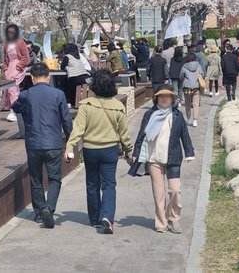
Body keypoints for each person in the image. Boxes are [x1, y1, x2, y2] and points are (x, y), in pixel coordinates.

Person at [64, 70, 133, 234]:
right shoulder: (118, 106)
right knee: (109, 185)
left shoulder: (86, 105)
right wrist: (129, 151)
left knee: (92, 184)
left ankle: (95, 218)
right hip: (110, 150)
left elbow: (77, 130)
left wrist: (69, 148)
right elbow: (124, 134)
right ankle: (107, 216)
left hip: (90, 150)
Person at [12, 63, 73, 229]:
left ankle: (39, 212)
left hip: (33, 143)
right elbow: (66, 120)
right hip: (53, 142)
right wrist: (70, 139)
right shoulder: (58, 94)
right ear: (49, 77)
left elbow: (15, 107)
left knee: (36, 178)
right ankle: (49, 207)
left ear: (32, 78)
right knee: (54, 178)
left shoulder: (26, 95)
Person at [129, 85, 195, 233]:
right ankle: (161, 222)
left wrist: (189, 152)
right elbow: (142, 135)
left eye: (168, 96)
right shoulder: (150, 115)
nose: (164, 99)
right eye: (161, 96)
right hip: (154, 158)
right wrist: (136, 152)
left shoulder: (177, 115)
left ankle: (174, 218)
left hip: (173, 158)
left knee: (175, 190)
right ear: (156, 98)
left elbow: (185, 135)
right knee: (159, 193)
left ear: (172, 98)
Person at [2, 24, 30, 122]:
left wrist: (19, 66)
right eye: (9, 32)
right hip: (9, 68)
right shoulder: (6, 43)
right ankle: (16, 110)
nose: (10, 34)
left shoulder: (20, 42)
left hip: (18, 67)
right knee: (9, 90)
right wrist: (5, 69)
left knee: (12, 89)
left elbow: (26, 57)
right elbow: (5, 58)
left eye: (12, 32)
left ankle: (14, 111)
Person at [179, 53, 204, 128]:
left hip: (187, 87)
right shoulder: (198, 65)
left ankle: (189, 119)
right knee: (196, 104)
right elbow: (202, 73)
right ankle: (195, 121)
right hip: (196, 87)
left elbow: (181, 76)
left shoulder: (184, 66)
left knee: (187, 104)